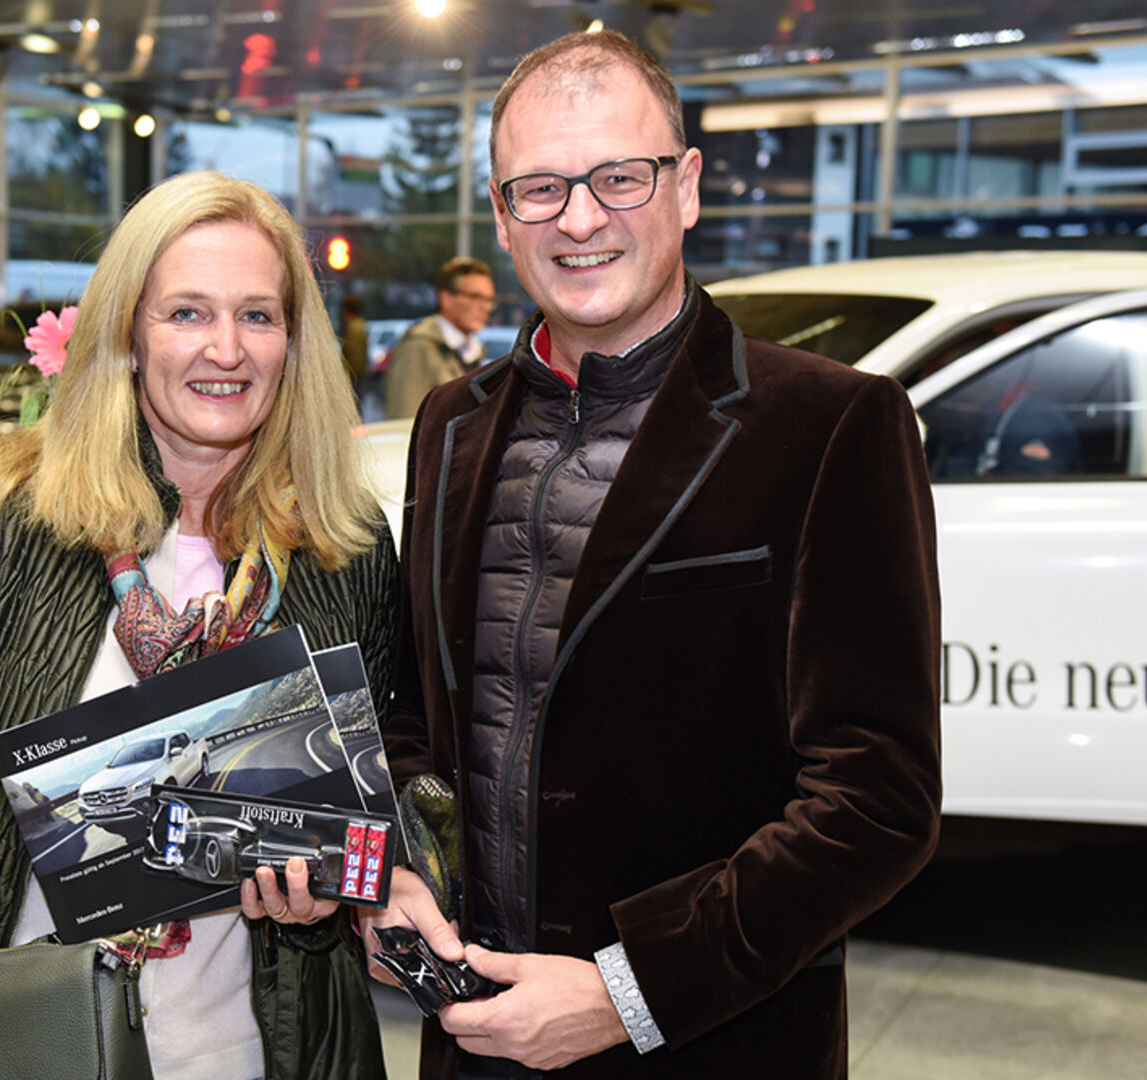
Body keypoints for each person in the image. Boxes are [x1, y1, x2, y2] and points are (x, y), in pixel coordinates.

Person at [363, 30, 941, 1079]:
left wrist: (628, 994)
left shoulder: (827, 424)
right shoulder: (451, 421)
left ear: (686, 186)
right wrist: (403, 869)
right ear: (500, 213)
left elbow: (876, 795)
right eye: (540, 188)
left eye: (618, 177)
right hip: (473, 1033)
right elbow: (416, 715)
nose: (580, 219)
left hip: (709, 1041)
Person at [0, 173, 397, 1080]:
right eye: (186, 312)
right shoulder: (7, 510)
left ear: (294, 342)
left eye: (257, 315)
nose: (225, 348)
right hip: (26, 1040)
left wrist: (330, 891)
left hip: (250, 1049)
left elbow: (388, 787)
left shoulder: (344, 547)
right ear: (128, 332)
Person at [383, 256, 495, 419]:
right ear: (445, 298)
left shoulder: (472, 351)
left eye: (489, 299)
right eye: (475, 297)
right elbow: (405, 420)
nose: (486, 307)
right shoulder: (418, 347)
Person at [340, 293, 369, 386]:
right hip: (360, 374)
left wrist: (349, 374)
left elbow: (352, 354)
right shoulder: (361, 324)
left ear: (346, 309)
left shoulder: (354, 327)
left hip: (354, 376)